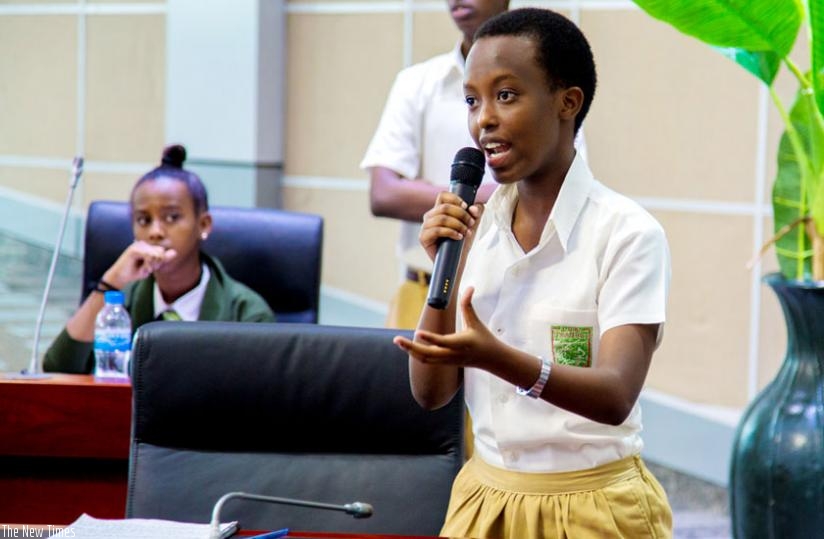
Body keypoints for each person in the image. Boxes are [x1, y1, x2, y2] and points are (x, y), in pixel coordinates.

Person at [393, 8, 672, 538]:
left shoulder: (628, 234)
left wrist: (499, 360)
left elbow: (615, 395)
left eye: (506, 95)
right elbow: (430, 394)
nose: (483, 120)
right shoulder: (474, 231)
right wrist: (443, 274)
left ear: (568, 102)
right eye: (472, 100)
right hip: (485, 499)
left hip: (595, 505)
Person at [44, 144, 275, 374]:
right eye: (143, 220)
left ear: (203, 224)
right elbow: (58, 369)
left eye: (171, 217)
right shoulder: (123, 302)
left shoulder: (247, 313)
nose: (155, 232)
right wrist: (111, 282)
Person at [360, 0, 508, 330]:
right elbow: (384, 195)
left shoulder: (544, 84)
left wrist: (427, 194)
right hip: (424, 290)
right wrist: (492, 196)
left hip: (508, 297)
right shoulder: (416, 81)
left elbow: (551, 191)